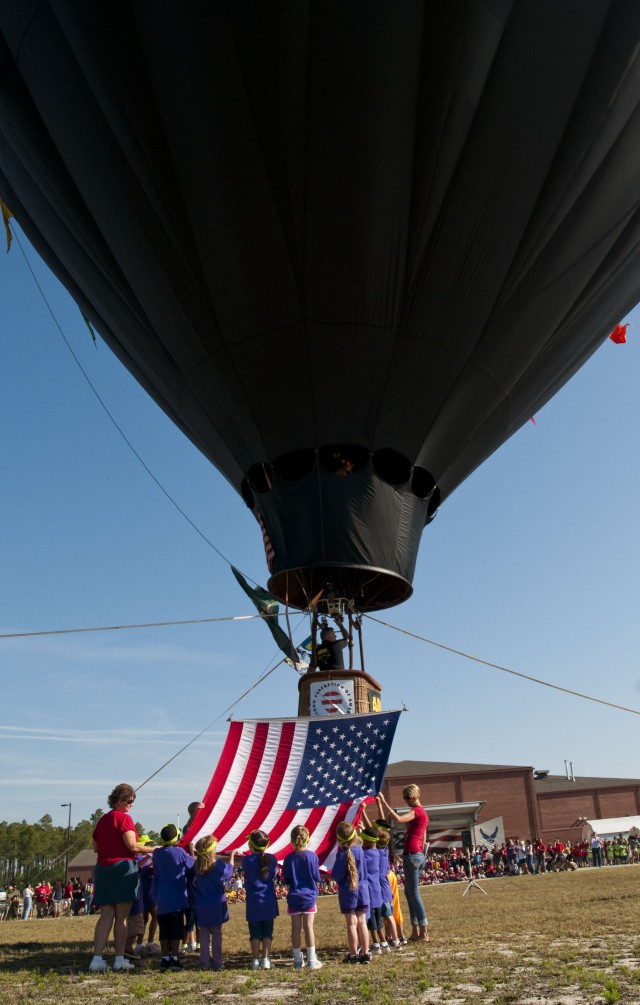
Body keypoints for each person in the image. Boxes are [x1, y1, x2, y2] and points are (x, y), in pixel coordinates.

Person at [90, 782, 157, 973]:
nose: (131, 804)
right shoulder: (125, 819)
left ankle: (97, 959)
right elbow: (133, 846)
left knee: (106, 916)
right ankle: (119, 958)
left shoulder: (102, 820)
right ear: (119, 799)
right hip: (123, 869)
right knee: (122, 918)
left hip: (103, 868)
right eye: (129, 801)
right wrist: (155, 849)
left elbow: (95, 847)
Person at [377, 785, 430, 943]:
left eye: (407, 798)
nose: (406, 801)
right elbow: (423, 836)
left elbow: (399, 819)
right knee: (409, 893)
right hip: (416, 853)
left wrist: (385, 803)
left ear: (414, 796)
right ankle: (415, 930)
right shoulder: (422, 814)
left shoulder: (418, 811)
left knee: (414, 893)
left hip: (412, 854)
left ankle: (424, 931)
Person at [152, 823, 195, 972]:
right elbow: (193, 865)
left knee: (164, 931)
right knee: (176, 931)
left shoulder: (157, 853)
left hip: (162, 900)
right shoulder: (179, 853)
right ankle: (175, 957)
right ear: (176, 838)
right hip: (177, 899)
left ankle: (165, 958)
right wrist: (191, 851)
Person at [193, 835, 236, 971]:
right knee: (217, 935)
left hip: (201, 907)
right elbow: (229, 872)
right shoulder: (219, 866)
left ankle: (204, 963)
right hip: (216, 906)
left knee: (204, 935)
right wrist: (232, 856)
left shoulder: (196, 867)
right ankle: (218, 963)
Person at [282, 825, 322, 969]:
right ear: (307, 839)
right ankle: (312, 959)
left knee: (295, 929)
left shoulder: (288, 859)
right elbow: (317, 877)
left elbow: (285, 879)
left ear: (292, 840)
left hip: (294, 897)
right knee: (309, 927)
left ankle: (298, 961)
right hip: (309, 897)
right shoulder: (312, 856)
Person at [331, 820, 370, 964]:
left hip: (348, 892)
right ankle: (365, 953)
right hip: (363, 890)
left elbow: (336, 875)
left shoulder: (342, 855)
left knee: (351, 924)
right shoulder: (360, 849)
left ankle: (353, 954)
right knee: (362, 923)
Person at [240, 829, 279, 970]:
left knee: (254, 933)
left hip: (253, 903)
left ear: (251, 845)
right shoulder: (272, 859)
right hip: (268, 901)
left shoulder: (246, 861)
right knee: (268, 932)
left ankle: (255, 960)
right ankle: (266, 960)